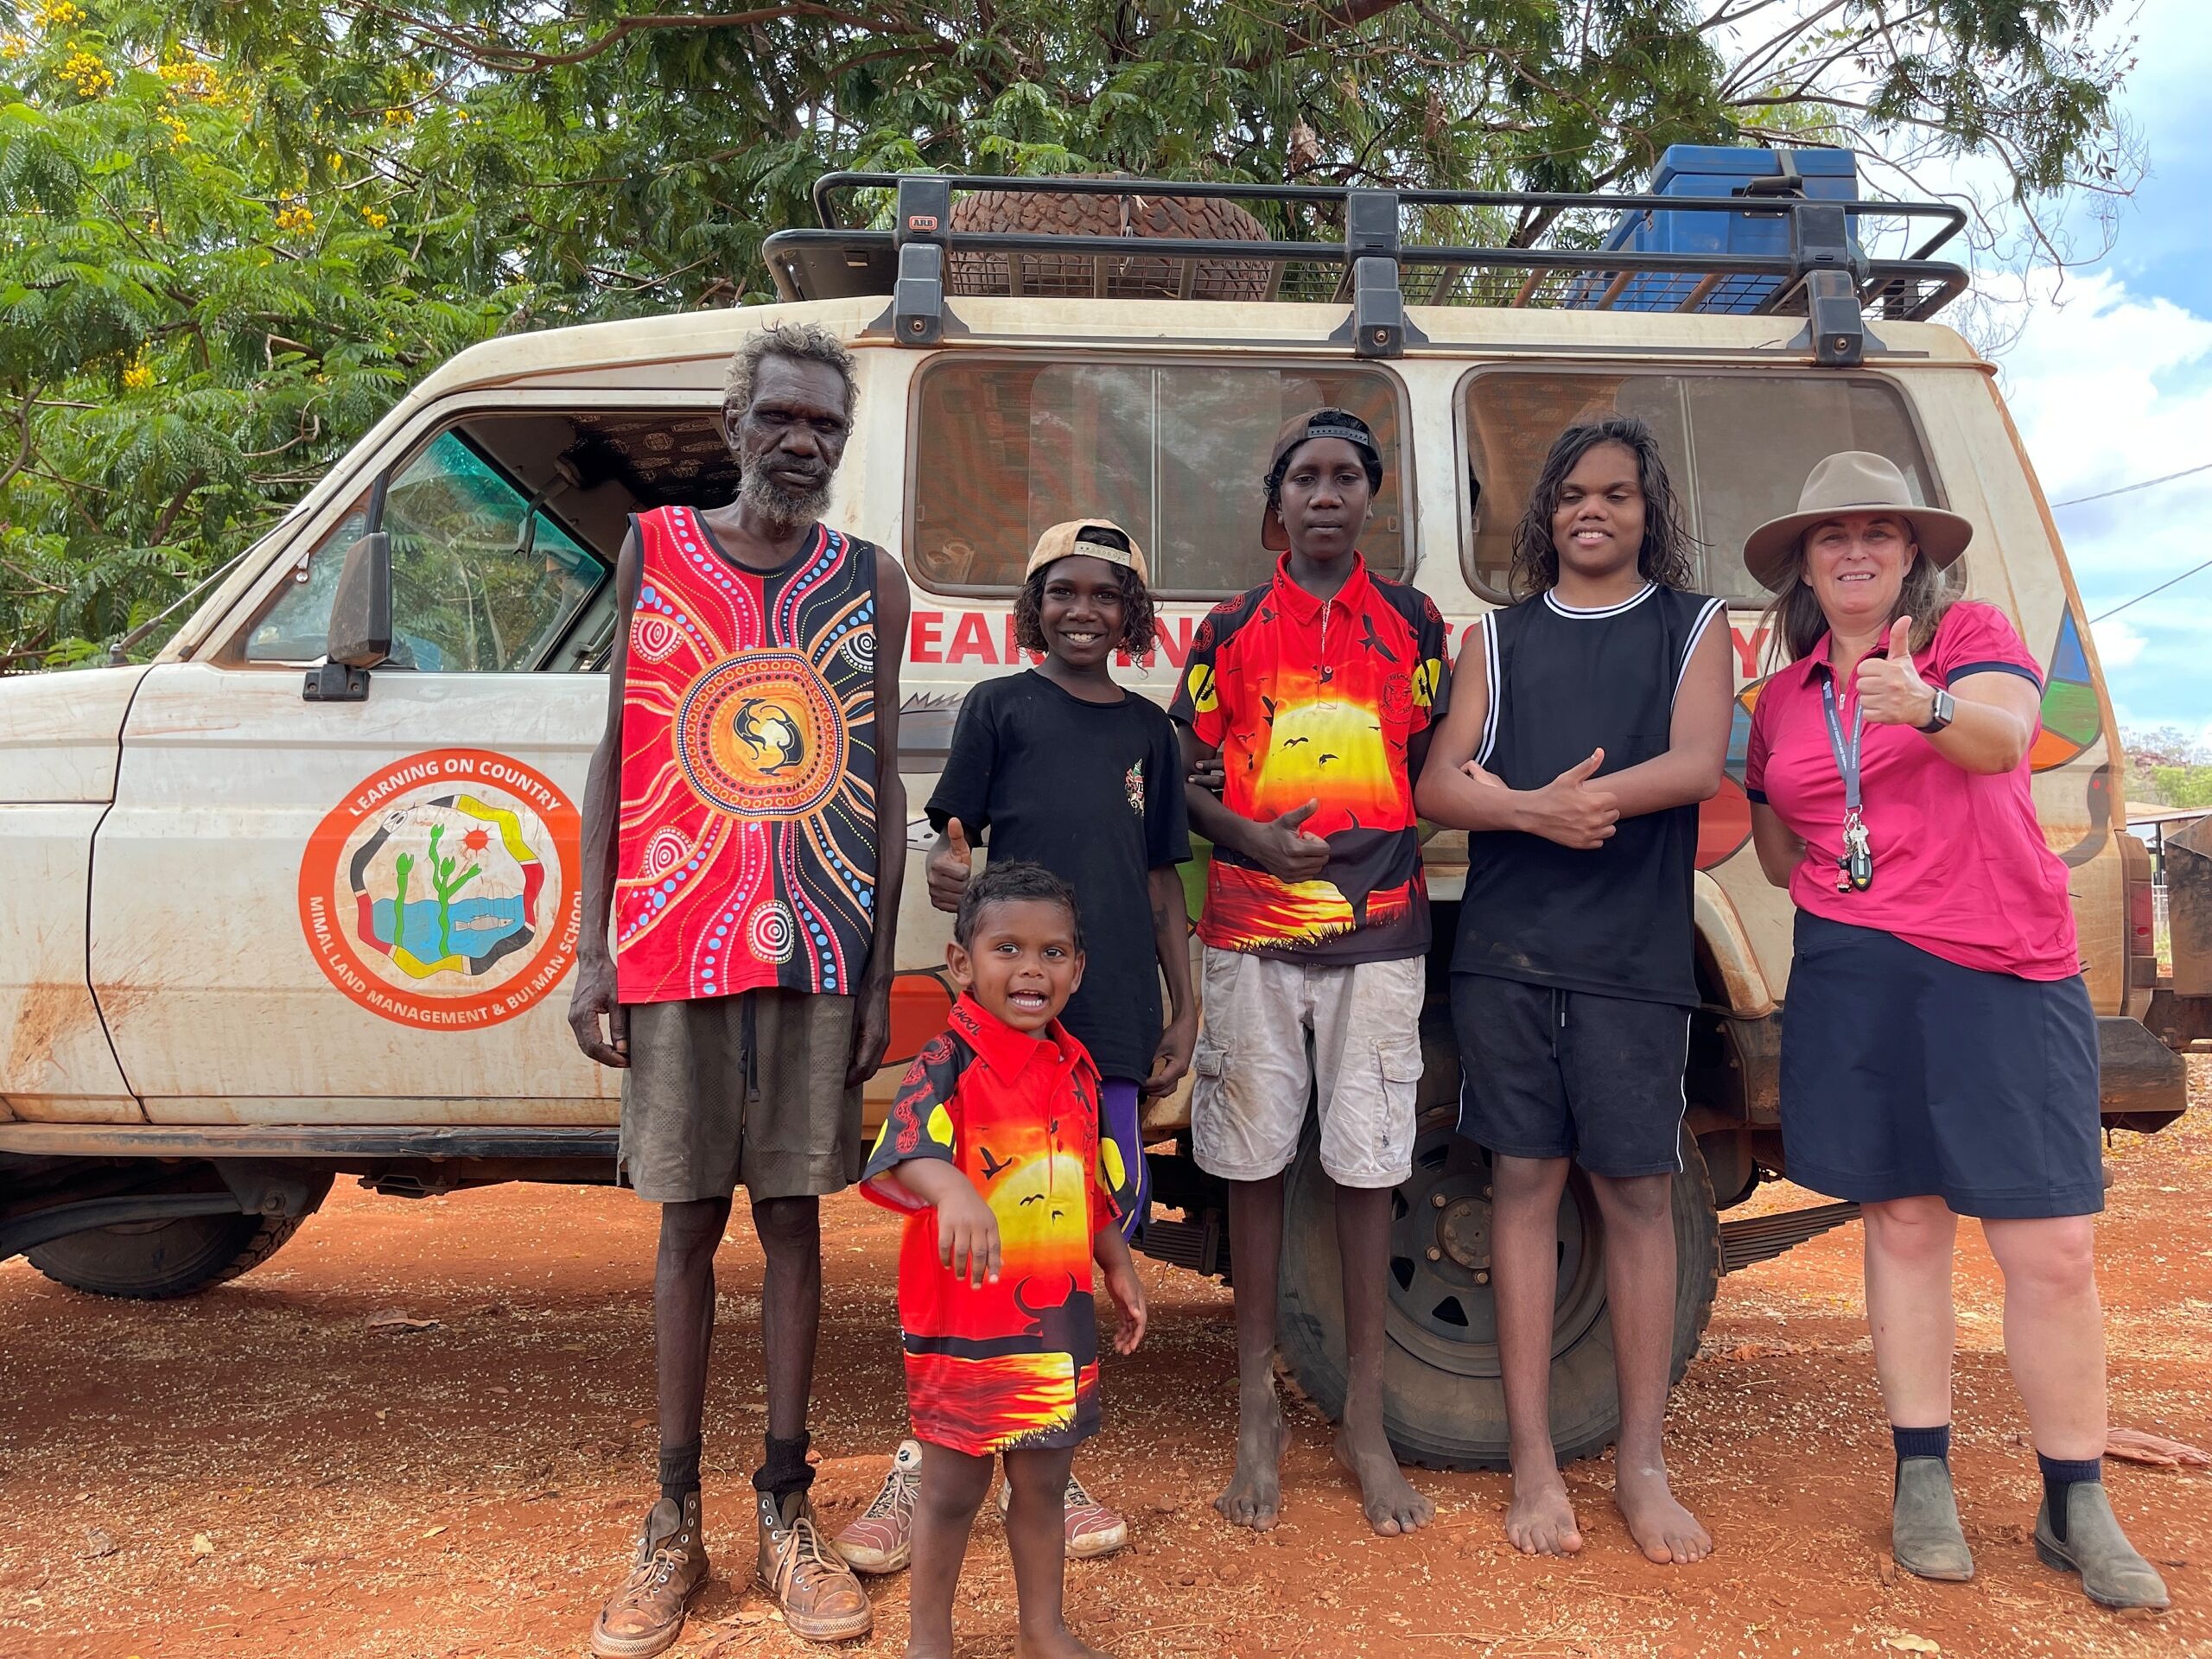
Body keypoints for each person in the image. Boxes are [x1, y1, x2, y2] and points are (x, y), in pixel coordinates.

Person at [1741, 451, 2167, 1611]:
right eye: (1834, 537)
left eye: (1881, 532)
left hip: (1997, 964)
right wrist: (1735, 802)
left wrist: (1924, 704)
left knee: (2051, 1247)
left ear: (1915, 555)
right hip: (1853, 968)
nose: (1857, 551)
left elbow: (2008, 738)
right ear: (1805, 568)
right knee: (1904, 1222)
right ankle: (1919, 1469)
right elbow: (1784, 849)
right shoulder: (1779, 700)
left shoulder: (1965, 638)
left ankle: (2074, 1495)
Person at [568, 321, 910, 1656]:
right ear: (736, 420)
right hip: (676, 940)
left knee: (797, 1221)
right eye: (781, 415)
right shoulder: (658, 548)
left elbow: (874, 790)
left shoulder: (864, 580)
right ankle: (671, 1521)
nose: (802, 441)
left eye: (824, 422)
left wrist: (880, 970)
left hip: (819, 949)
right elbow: (620, 748)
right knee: (683, 1223)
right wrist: (595, 944)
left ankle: (786, 1507)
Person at [837, 519, 1194, 1573]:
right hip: (1012, 1016)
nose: (1083, 610)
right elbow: (955, 846)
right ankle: (931, 1446)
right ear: (1033, 607)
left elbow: (1162, 880)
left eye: (1106, 595)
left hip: (1114, 1007)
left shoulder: (1149, 733)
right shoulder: (998, 706)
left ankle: (1047, 1444)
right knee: (979, 1223)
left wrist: (1186, 1010)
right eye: (1063, 592)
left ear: (1132, 617)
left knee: (1079, 1222)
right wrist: (952, 877)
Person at [1414, 416, 1731, 1565]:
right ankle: (1536, 1462)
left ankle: (1642, 1463)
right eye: (1571, 496)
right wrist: (1531, 810)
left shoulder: (1692, 627)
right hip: (1508, 952)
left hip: (1633, 962)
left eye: (1616, 494)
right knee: (1524, 1185)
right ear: (1544, 516)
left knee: (1639, 1193)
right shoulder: (1495, 640)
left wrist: (1585, 803)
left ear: (1650, 512)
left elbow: (1699, 762)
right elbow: (1442, 783)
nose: (1591, 512)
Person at [1170, 407, 1450, 1536]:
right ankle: (1255, 1412)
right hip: (1248, 927)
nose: (1325, 494)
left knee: (1370, 1167)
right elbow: (1184, 777)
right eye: (1305, 477)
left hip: (1378, 934)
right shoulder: (1228, 630)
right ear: (1275, 504)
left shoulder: (1418, 625)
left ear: (1370, 500)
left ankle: (1366, 1427)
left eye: (1345, 477)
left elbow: (1439, 765)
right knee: (1246, 1161)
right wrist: (1254, 842)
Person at [859, 861, 1147, 1659]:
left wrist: (1116, 1260)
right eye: (1008, 949)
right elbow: (903, 1149)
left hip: (1055, 1317)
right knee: (952, 1488)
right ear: (962, 964)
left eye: (1053, 953)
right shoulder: (947, 1061)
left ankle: (1042, 1627)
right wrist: (950, 1188)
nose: (1031, 969)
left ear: (1077, 969)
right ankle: (929, 1639)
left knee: (1045, 1481)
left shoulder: (1078, 1072)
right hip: (964, 1320)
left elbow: (1085, 1183)